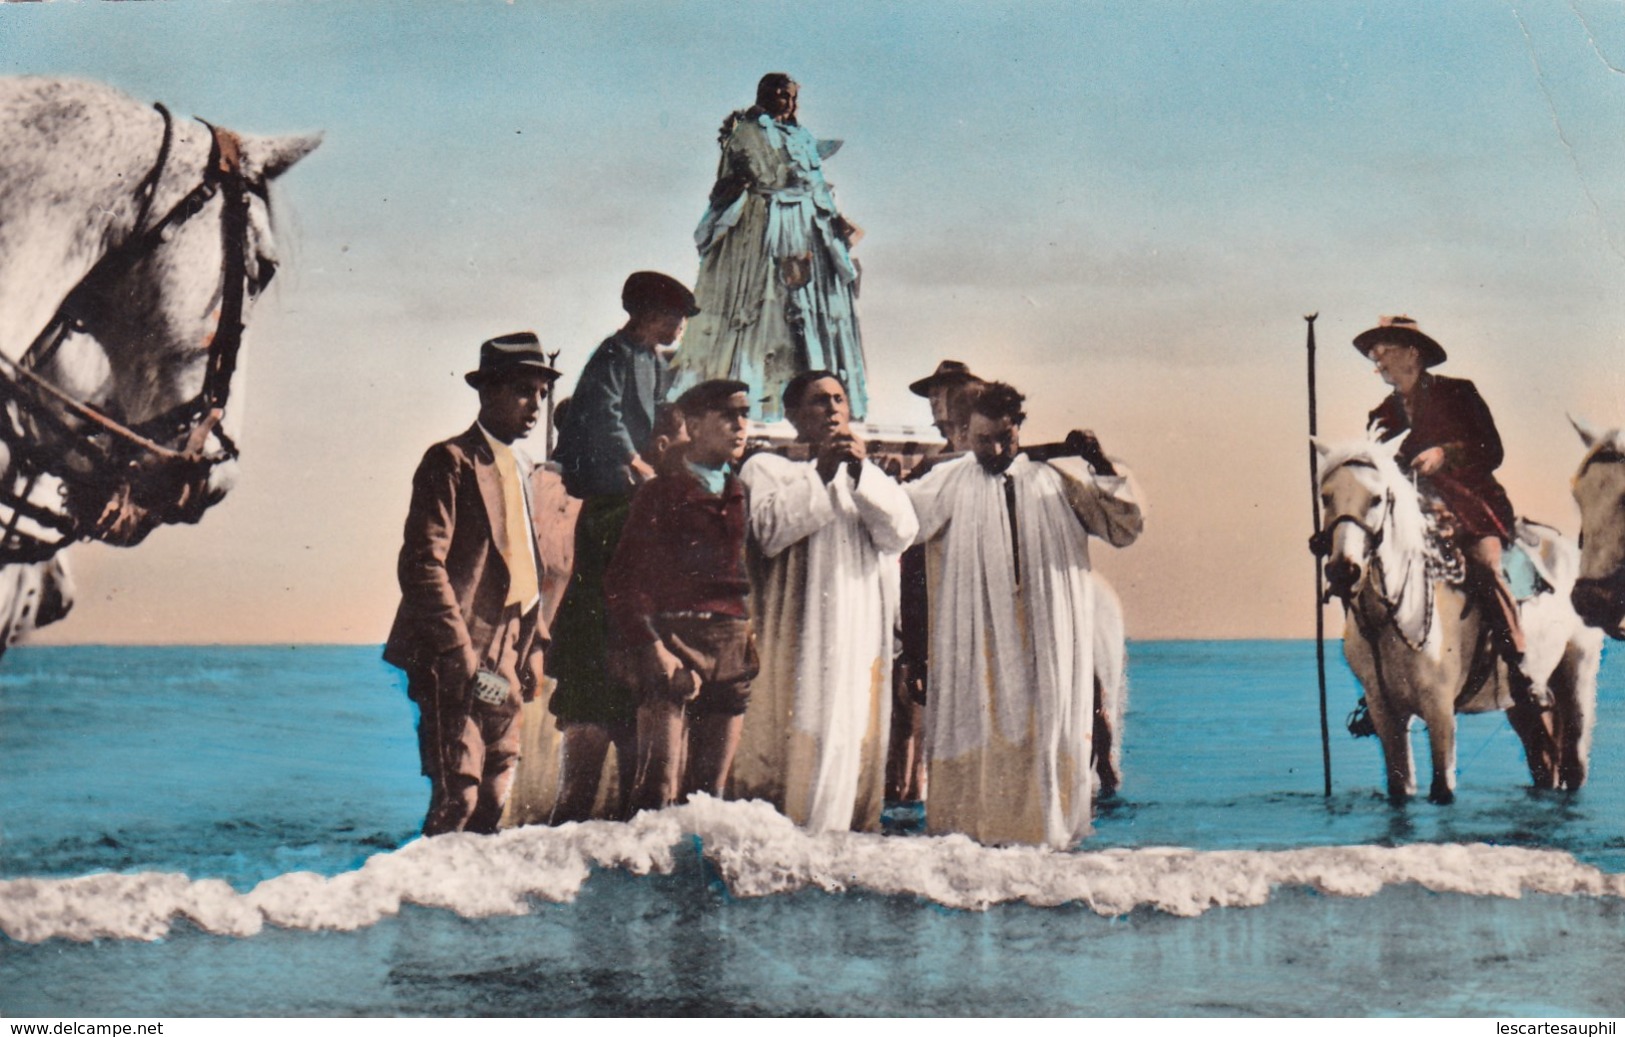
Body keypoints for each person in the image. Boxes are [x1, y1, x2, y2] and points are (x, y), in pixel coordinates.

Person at [905, 382, 1143, 848]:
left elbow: (1124, 526)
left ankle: (1050, 840)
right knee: (979, 727)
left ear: (1019, 430)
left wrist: (1098, 464)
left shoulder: (1057, 481)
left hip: (1047, 642)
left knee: (1047, 730)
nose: (994, 449)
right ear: (966, 434)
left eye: (1005, 439)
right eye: (982, 440)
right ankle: (971, 842)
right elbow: (897, 520)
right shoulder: (946, 482)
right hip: (976, 638)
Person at [383, 332, 559, 836]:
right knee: (457, 795)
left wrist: (534, 647)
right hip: (454, 650)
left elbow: (529, 567)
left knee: (497, 792)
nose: (535, 406)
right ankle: (415, 905)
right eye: (524, 391)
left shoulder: (523, 469)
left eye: (542, 395)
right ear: (488, 392)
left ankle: (472, 914)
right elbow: (421, 564)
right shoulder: (451, 461)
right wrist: (457, 653)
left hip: (509, 649)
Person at [731, 370, 918, 832]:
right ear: (794, 417)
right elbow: (769, 532)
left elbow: (901, 532)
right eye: (819, 401)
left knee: (851, 737)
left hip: (857, 638)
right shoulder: (768, 468)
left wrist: (855, 474)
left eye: (839, 399)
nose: (833, 408)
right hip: (801, 635)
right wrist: (823, 473)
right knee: (794, 738)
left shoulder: (867, 475)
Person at [544, 272, 699, 823]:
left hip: (635, 484)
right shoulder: (611, 355)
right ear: (641, 314)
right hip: (603, 483)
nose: (677, 327)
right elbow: (606, 415)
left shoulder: (656, 363)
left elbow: (659, 415)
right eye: (669, 317)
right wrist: (631, 461)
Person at [670, 73, 867, 422]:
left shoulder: (803, 137)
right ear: (761, 94)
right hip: (762, 225)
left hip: (807, 226)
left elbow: (817, 184)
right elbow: (726, 183)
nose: (783, 98)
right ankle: (758, 400)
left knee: (808, 307)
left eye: (790, 94)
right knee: (763, 306)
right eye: (776, 91)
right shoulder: (746, 131)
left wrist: (835, 223)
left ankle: (814, 395)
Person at [605, 380, 759, 812]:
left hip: (730, 647)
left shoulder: (741, 490)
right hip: (672, 643)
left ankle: (696, 880)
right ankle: (648, 880)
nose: (740, 425)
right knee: (656, 791)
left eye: (745, 414)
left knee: (710, 798)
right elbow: (622, 581)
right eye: (728, 416)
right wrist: (652, 648)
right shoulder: (661, 491)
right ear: (692, 423)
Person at [1355, 316, 1526, 665]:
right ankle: (1381, 684)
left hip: (1471, 504)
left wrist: (1444, 454)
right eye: (1374, 352)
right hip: (1414, 508)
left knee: (1484, 564)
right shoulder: (1383, 414)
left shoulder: (1458, 391)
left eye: (1384, 349)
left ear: (1413, 354)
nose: (1377, 359)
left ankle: (1520, 664)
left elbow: (1493, 451)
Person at [546, 403, 688, 823]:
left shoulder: (627, 492)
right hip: (598, 652)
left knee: (622, 792)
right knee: (585, 792)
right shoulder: (616, 496)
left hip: (619, 651)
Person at [886, 365, 985, 833]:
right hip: (936, 609)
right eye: (932, 396)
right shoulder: (931, 470)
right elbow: (914, 561)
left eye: (945, 394)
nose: (937, 403)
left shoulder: (997, 466)